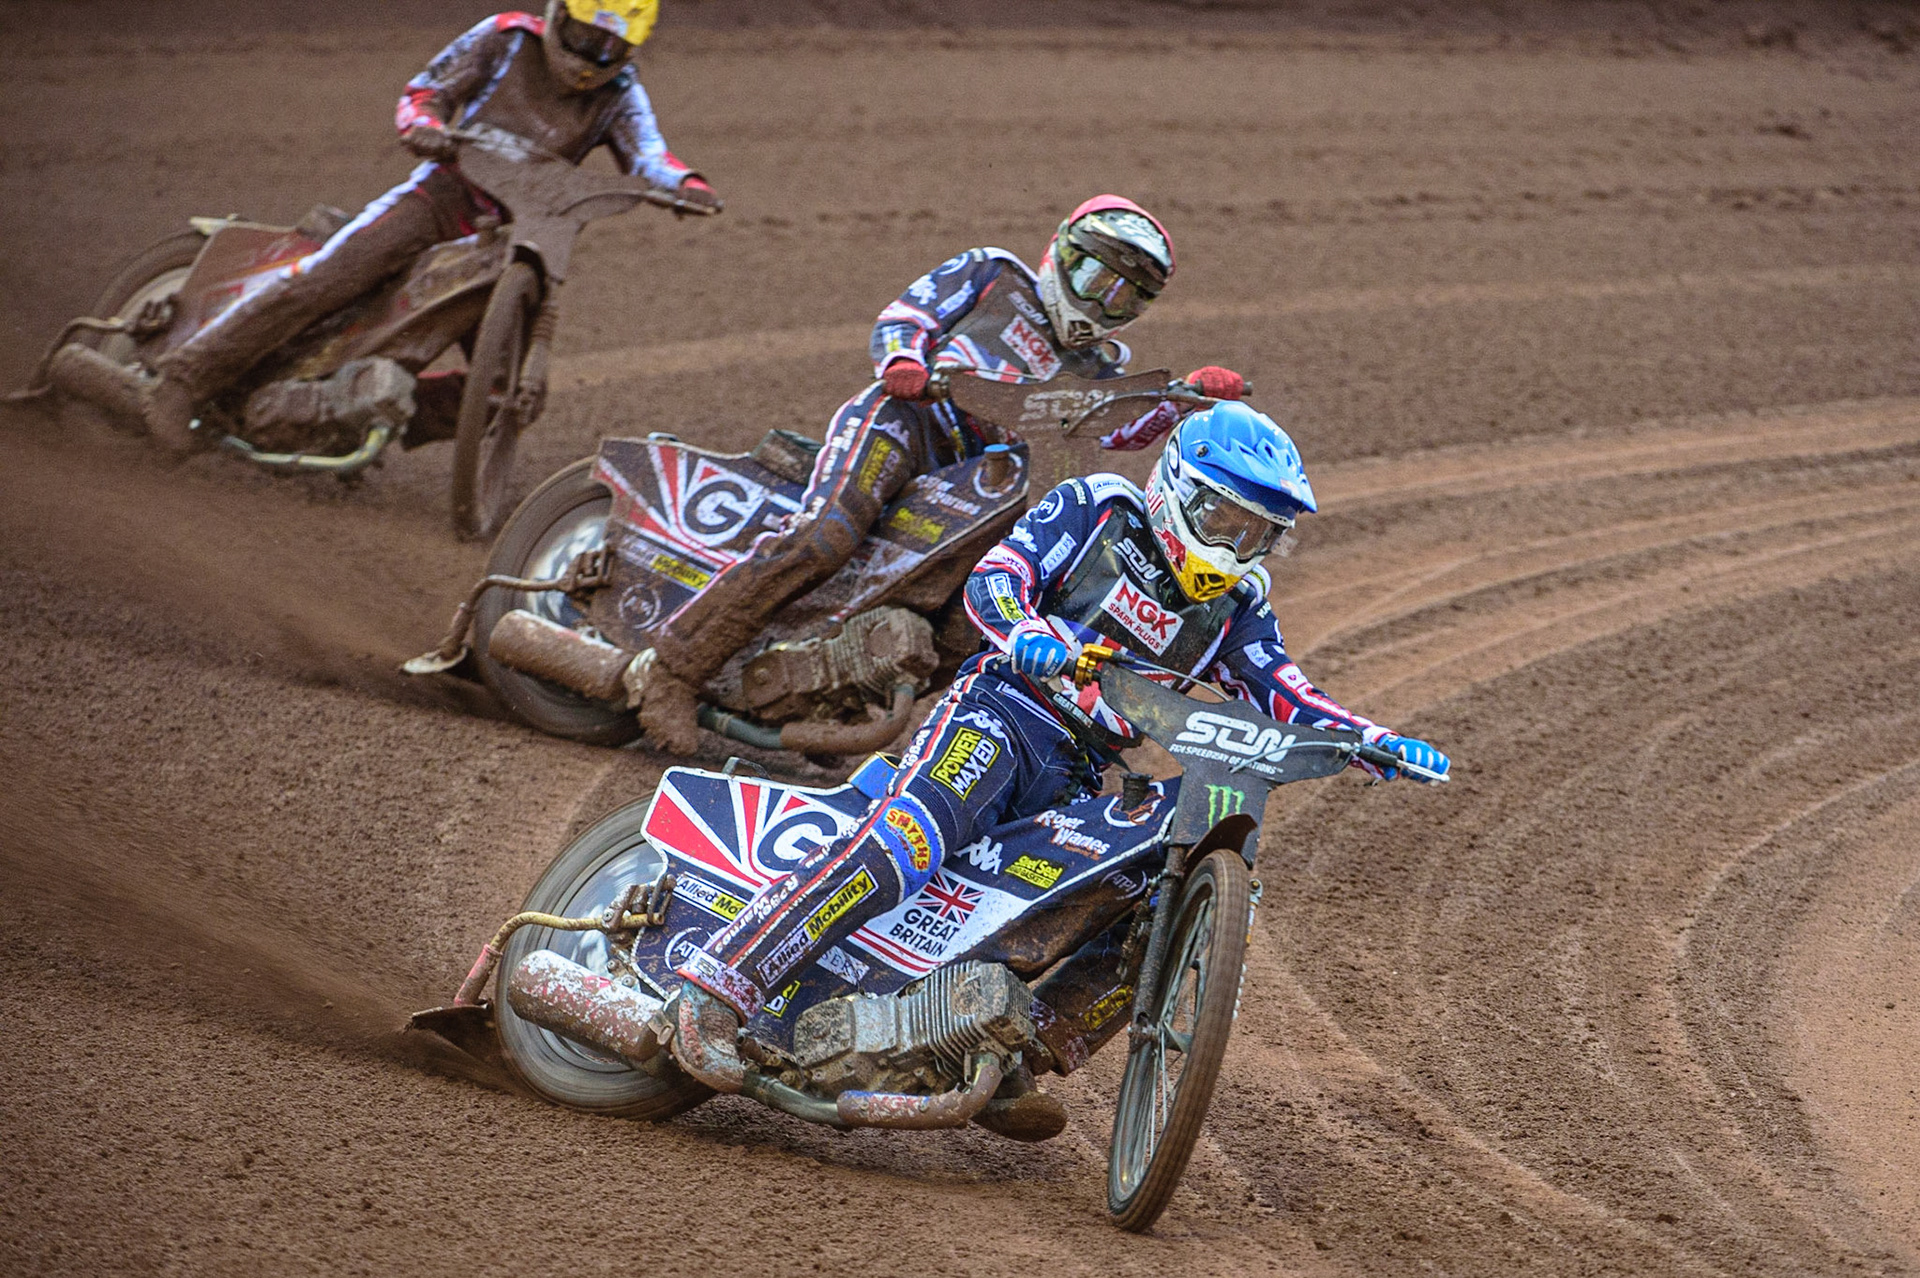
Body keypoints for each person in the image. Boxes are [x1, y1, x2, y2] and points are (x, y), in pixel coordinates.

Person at [660, 400, 1451, 1094]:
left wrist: (1367, 738)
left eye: (1258, 534)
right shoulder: (1101, 510)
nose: (1236, 548)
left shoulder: (1238, 609)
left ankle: (1020, 1052)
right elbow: (995, 580)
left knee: (1144, 890)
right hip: (1001, 712)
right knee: (912, 836)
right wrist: (1028, 632)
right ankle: (717, 986)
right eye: (1224, 522)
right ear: (1178, 489)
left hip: (1080, 770)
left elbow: (1286, 694)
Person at [629, 194, 1250, 754]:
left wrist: (1183, 398)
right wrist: (904, 359)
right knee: (823, 536)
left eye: (1125, 297)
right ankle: (671, 673)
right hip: (909, 422)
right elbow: (908, 315)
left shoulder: (1102, 365)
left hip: (987, 481)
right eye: (1093, 279)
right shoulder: (994, 275)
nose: (1102, 304)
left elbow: (1115, 429)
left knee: (969, 620)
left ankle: (852, 711)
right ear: (1061, 254)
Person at [142, 1, 717, 451]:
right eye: (588, 37)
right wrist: (424, 125)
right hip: (440, 198)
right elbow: (426, 91)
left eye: (611, 47)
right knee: (329, 278)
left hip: (522, 234)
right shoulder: (505, 38)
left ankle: (353, 416)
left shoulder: (621, 93)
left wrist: (684, 184)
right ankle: (185, 380)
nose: (593, 57)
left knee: (506, 395)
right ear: (559, 15)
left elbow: (649, 155)